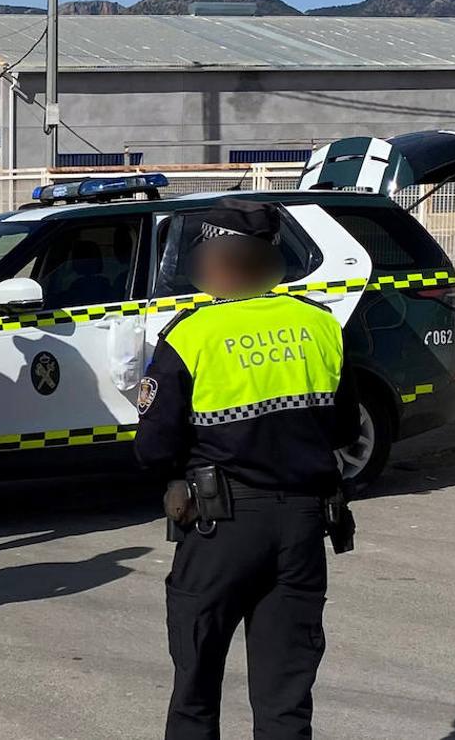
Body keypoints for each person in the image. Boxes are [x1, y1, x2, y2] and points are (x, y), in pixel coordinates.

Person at [134, 198, 360, 740]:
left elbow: (154, 447)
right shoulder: (320, 324)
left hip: (221, 526)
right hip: (303, 525)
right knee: (286, 697)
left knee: (195, 687)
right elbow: (346, 429)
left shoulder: (192, 333)